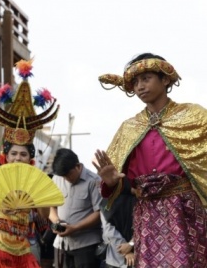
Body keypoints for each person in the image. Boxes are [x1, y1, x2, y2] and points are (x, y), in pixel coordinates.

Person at [94, 53, 207, 267]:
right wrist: (110, 181)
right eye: (135, 82)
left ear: (165, 79)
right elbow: (116, 183)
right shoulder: (129, 128)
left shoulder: (194, 116)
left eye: (146, 78)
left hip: (183, 209)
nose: (139, 87)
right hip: (147, 212)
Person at [0, 61, 59, 268]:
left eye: (23, 154)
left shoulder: (35, 181)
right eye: (13, 153)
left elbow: (42, 216)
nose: (17, 158)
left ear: (29, 157)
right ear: (6, 154)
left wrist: (39, 199)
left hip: (22, 242)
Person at [49, 148, 102, 268]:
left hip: (86, 245)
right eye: (63, 176)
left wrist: (75, 228)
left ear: (77, 166)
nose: (66, 179)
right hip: (61, 244)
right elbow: (51, 208)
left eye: (68, 175)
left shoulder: (94, 181)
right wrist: (57, 222)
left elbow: (99, 213)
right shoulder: (57, 178)